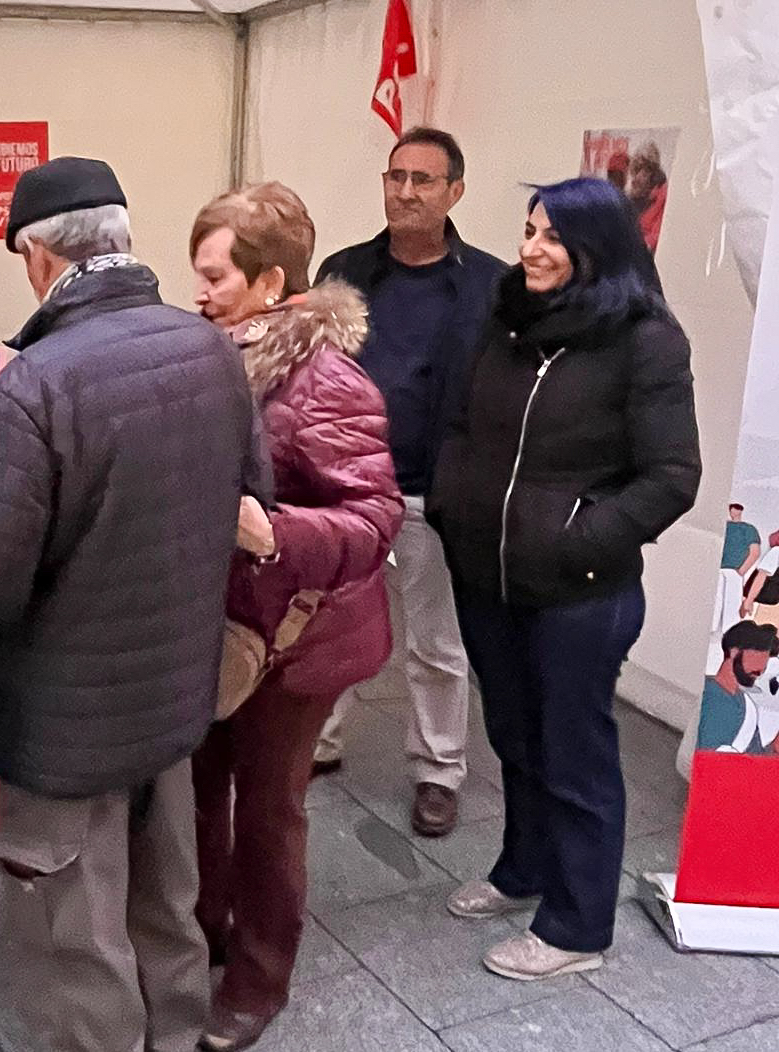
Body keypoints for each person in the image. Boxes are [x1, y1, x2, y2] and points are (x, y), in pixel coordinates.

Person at [0, 156, 256, 1052]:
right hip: (175, 690)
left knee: (73, 934)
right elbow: (248, 498)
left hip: (64, 718)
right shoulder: (211, 350)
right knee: (166, 902)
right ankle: (178, 1036)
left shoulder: (30, 386)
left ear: (37, 257)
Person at [427, 177, 700, 980]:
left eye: (551, 236)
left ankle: (578, 928)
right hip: (488, 574)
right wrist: (451, 506)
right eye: (528, 230)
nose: (530, 249)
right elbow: (460, 423)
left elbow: (672, 477)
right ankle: (524, 869)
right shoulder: (509, 319)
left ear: (597, 245)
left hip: (581, 590)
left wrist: (577, 540)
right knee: (514, 737)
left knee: (574, 753)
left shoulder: (646, 339)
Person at [188, 182, 403, 1051]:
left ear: (271, 282)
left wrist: (274, 531)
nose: (199, 293)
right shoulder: (215, 356)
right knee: (198, 788)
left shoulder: (328, 382)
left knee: (270, 809)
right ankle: (202, 928)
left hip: (298, 638)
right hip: (221, 627)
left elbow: (375, 519)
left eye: (215, 277)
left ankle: (258, 976)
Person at [313, 127, 507, 837]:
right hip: (349, 485)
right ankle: (319, 741)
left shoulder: (491, 286)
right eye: (395, 177)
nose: (405, 191)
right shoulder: (343, 272)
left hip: (435, 490)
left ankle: (438, 769)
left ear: (456, 191)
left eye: (422, 180)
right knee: (328, 624)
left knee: (435, 643)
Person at [697, 621, 779, 753]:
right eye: (757, 655)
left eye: (766, 658)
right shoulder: (706, 694)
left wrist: (775, 748)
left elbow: (755, 757)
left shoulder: (747, 706)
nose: (761, 668)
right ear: (734, 652)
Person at [723, 504, 762, 576]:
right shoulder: (723, 526)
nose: (733, 511)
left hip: (732, 571)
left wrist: (741, 571)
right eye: (732, 510)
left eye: (736, 509)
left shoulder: (748, 528)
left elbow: (755, 552)